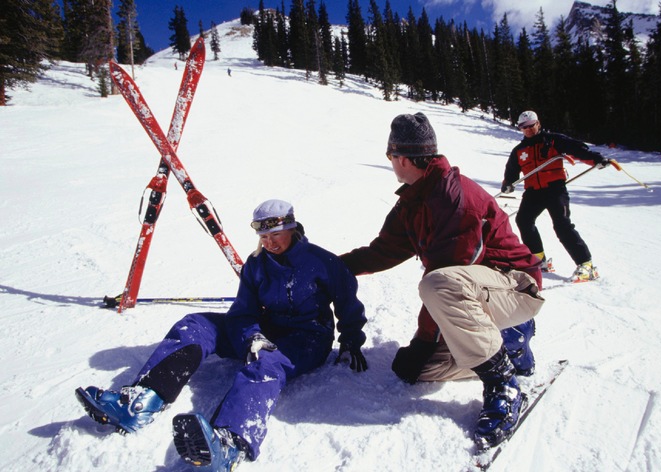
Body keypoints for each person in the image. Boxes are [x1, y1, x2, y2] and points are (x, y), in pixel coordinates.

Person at [76, 199, 368, 470]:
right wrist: (252, 335)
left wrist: (350, 340)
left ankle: (230, 442)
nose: (269, 242)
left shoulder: (322, 262)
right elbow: (243, 311)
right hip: (265, 328)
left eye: (275, 235)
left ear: (291, 228)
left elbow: (347, 302)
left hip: (308, 338)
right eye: (263, 236)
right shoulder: (257, 264)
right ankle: (143, 400)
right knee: (196, 324)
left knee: (266, 363)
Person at [339, 113, 545, 450]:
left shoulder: (453, 199)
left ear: (402, 157)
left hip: (516, 287)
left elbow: (448, 276)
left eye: (390, 157)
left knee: (438, 285)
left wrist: (423, 340)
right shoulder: (413, 201)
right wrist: (328, 268)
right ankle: (507, 346)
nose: (391, 163)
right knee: (416, 371)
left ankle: (502, 383)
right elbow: (382, 252)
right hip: (480, 293)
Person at [501, 110, 611, 282]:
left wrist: (595, 159)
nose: (528, 130)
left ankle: (586, 265)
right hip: (533, 191)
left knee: (562, 225)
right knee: (523, 220)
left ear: (538, 123)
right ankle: (539, 259)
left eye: (531, 126)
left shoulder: (553, 140)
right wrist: (508, 183)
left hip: (555, 189)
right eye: (524, 127)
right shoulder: (519, 150)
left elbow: (577, 149)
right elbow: (512, 170)